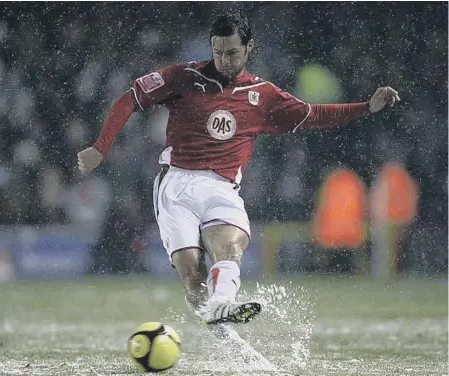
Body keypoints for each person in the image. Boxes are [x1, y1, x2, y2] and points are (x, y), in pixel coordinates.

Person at [77, 13, 400, 326]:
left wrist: (366, 108)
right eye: (218, 53)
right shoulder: (183, 77)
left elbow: (313, 114)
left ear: (249, 48)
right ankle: (218, 321)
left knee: (230, 247)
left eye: (232, 53)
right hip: (176, 185)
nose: (225, 60)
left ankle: (222, 305)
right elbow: (130, 99)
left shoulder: (264, 96)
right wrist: (100, 147)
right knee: (192, 274)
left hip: (221, 188)